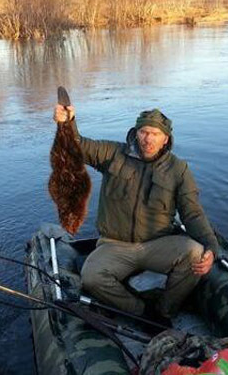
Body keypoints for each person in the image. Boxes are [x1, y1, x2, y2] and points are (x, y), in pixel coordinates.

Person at [53, 104, 219, 322]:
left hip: (157, 244)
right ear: (136, 133)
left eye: (155, 134)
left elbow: (193, 214)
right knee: (91, 278)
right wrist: (67, 124)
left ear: (166, 139)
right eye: (144, 132)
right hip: (115, 244)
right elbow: (77, 147)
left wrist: (212, 248)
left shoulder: (178, 170)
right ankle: (142, 312)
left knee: (195, 253)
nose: (148, 139)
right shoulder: (113, 154)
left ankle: (165, 310)